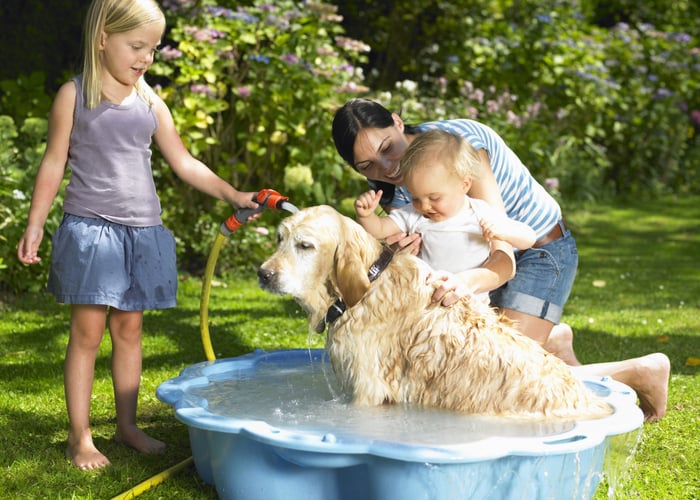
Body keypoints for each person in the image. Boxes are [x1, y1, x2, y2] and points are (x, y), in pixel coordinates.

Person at [16, 0, 259, 470]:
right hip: (92, 228)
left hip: (142, 232)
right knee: (86, 333)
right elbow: (53, 163)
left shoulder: (150, 102)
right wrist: (35, 223)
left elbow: (184, 161)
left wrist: (232, 193)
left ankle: (127, 426)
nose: (146, 57)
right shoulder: (76, 95)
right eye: (137, 45)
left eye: (153, 48)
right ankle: (80, 435)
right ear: (103, 38)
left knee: (129, 330)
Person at [332, 98, 669, 422]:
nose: (387, 167)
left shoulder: (457, 150)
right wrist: (405, 253)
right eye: (367, 165)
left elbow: (502, 251)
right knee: (466, 364)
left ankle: (640, 370)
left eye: (387, 147)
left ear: (397, 122)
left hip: (536, 250)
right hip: (475, 267)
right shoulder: (389, 184)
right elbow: (422, 239)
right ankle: (550, 339)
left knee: (501, 377)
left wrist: (465, 282)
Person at [355, 129, 536, 304]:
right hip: (426, 303)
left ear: (464, 185)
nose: (424, 206)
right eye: (416, 197)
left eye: (434, 198)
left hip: (470, 302)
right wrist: (366, 215)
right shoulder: (414, 214)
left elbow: (528, 238)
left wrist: (505, 231)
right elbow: (378, 230)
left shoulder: (479, 212)